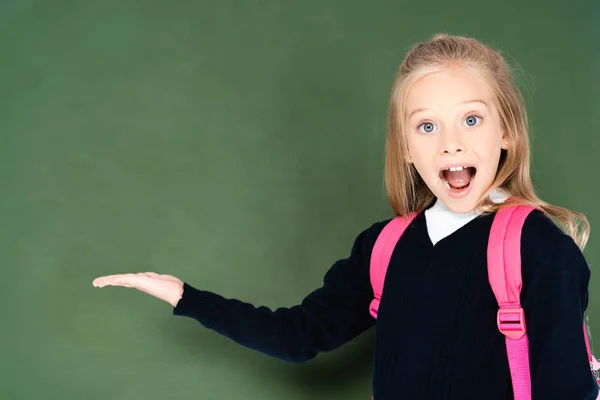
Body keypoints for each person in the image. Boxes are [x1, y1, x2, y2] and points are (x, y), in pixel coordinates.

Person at [92, 34, 599, 399]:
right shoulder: (385, 247)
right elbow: (299, 336)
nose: (452, 143)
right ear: (405, 149)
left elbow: (567, 389)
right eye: (426, 126)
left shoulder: (538, 247)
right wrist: (186, 297)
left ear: (506, 131)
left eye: (471, 119)